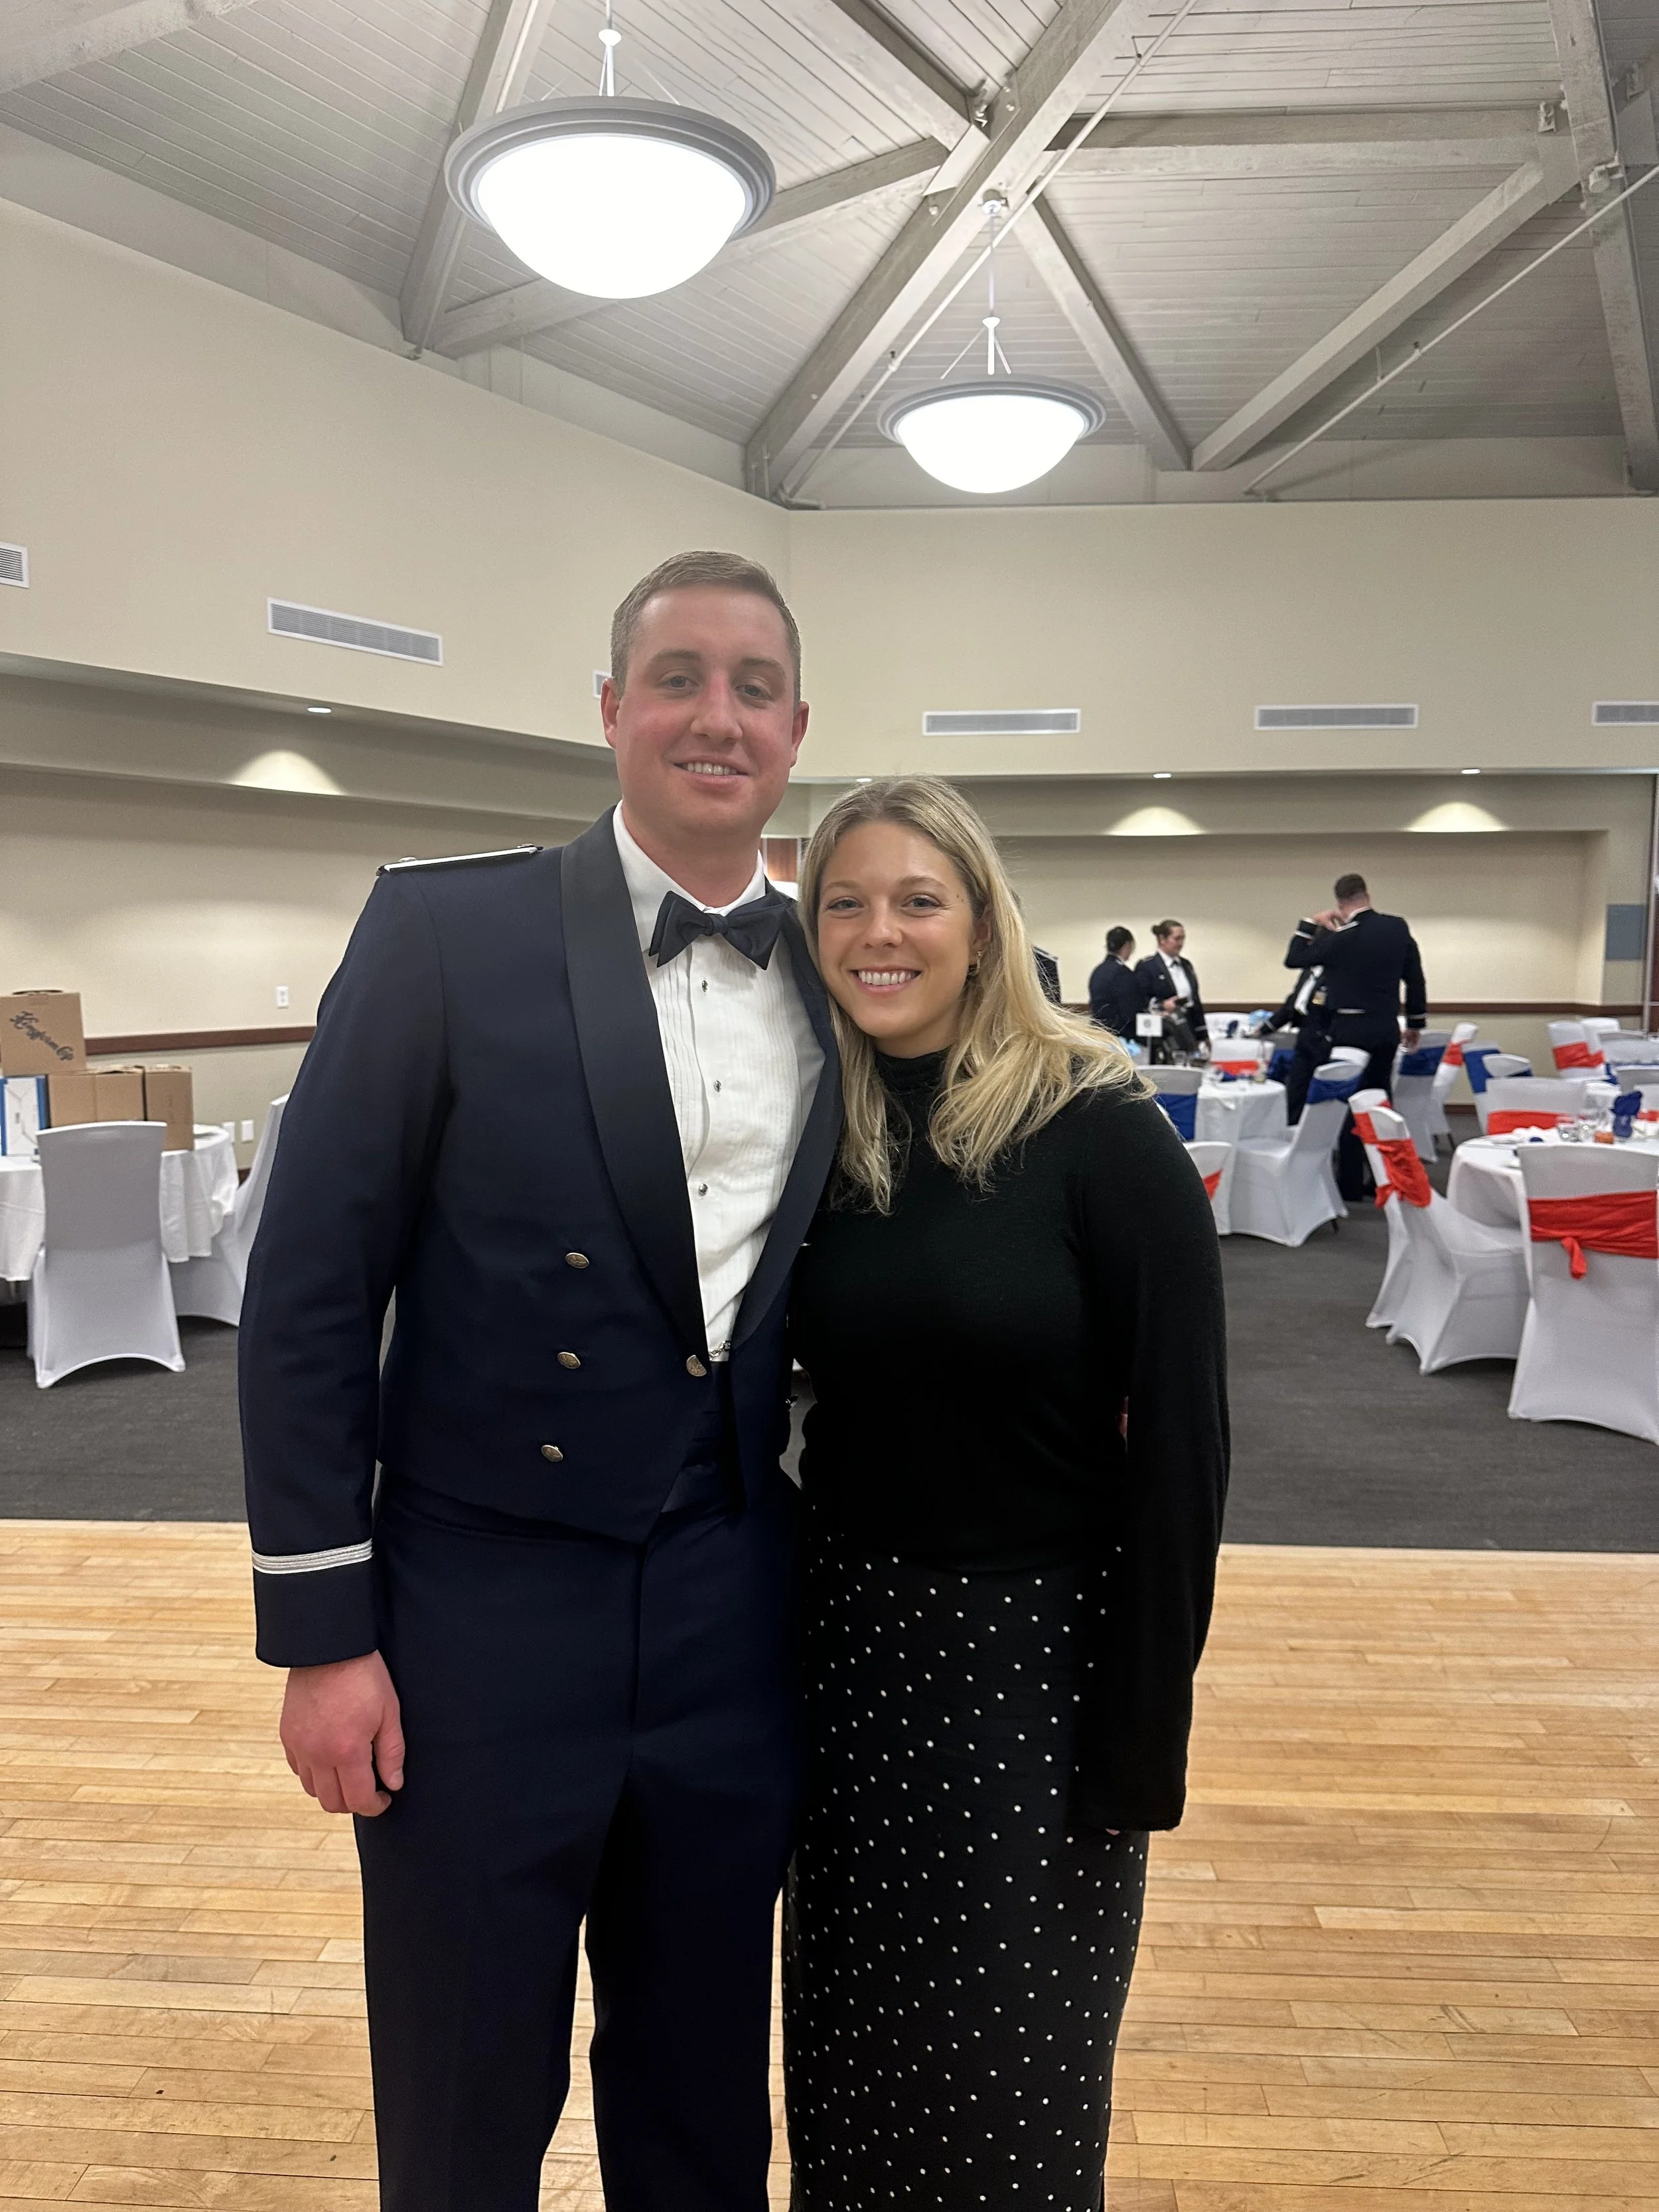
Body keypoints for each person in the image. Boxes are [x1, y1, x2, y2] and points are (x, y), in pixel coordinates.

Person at [238, 550, 840, 2212]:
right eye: (679, 677)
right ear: (610, 710)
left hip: (734, 1609)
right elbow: (304, 1295)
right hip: (476, 1622)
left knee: (705, 2098)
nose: (716, 716)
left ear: (797, 728)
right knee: (460, 2098)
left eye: (753, 685)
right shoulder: (446, 930)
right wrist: (322, 1634)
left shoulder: (843, 974)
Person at [784, 776, 1228, 2212]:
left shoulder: (1098, 1128)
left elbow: (1182, 1452)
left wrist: (1139, 1741)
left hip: (1035, 1676)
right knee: (849, 2087)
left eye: (917, 898)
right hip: (848, 1664)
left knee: (1008, 2102)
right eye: (843, 902)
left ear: (981, 921)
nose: (878, 933)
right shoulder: (823, 1134)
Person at [1283, 871, 1426, 1199]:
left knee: (1349, 1104)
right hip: (1387, 1028)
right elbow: (1415, 979)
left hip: (1349, 1031)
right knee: (1378, 1104)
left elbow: (1294, 959)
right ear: (1367, 895)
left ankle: (1350, 1183)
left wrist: (1309, 923)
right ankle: (1380, 1175)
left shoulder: (1343, 937)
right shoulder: (1397, 927)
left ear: (1339, 904)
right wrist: (1415, 1024)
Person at [1134, 917, 1208, 1057]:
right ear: (1162, 939)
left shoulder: (1186, 965)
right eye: (1177, 939)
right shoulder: (1147, 966)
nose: (1181, 944)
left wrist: (1203, 1035)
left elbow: (1196, 1001)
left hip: (1188, 1025)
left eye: (1183, 939)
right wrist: (1163, 1005)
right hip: (1165, 1030)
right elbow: (1140, 999)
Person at [1088, 924, 1140, 1037]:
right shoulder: (1124, 973)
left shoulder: (1098, 971)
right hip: (1119, 1034)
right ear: (1128, 945)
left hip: (1098, 1031)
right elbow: (1129, 1011)